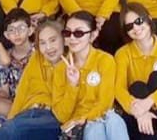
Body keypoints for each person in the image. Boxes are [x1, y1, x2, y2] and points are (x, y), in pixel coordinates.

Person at [0, 18, 64, 140]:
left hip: (51, 115)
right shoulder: (36, 58)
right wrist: (11, 118)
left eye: (53, 40)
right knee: (14, 126)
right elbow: (22, 90)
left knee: (16, 128)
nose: (48, 47)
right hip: (28, 109)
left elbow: (65, 108)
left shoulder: (69, 65)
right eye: (43, 43)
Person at [114, 3, 157, 140]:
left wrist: (149, 102)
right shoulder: (122, 54)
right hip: (137, 120)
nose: (135, 28)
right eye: (129, 26)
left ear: (149, 18)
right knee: (137, 87)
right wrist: (140, 113)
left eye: (139, 21)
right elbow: (119, 89)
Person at [54, 11, 128, 140]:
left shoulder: (105, 60)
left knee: (112, 119)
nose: (72, 38)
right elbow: (61, 115)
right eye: (67, 33)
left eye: (78, 33)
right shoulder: (61, 68)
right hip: (76, 130)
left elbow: (105, 103)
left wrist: (85, 119)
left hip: (101, 120)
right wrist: (73, 86)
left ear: (93, 35)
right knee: (97, 127)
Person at [0, 8, 35, 117]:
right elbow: (5, 93)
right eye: (11, 30)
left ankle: (17, 119)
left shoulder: (38, 52)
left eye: (21, 28)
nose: (17, 33)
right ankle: (20, 119)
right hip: (15, 104)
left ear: (30, 30)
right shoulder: (5, 56)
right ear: (6, 35)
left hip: (36, 101)